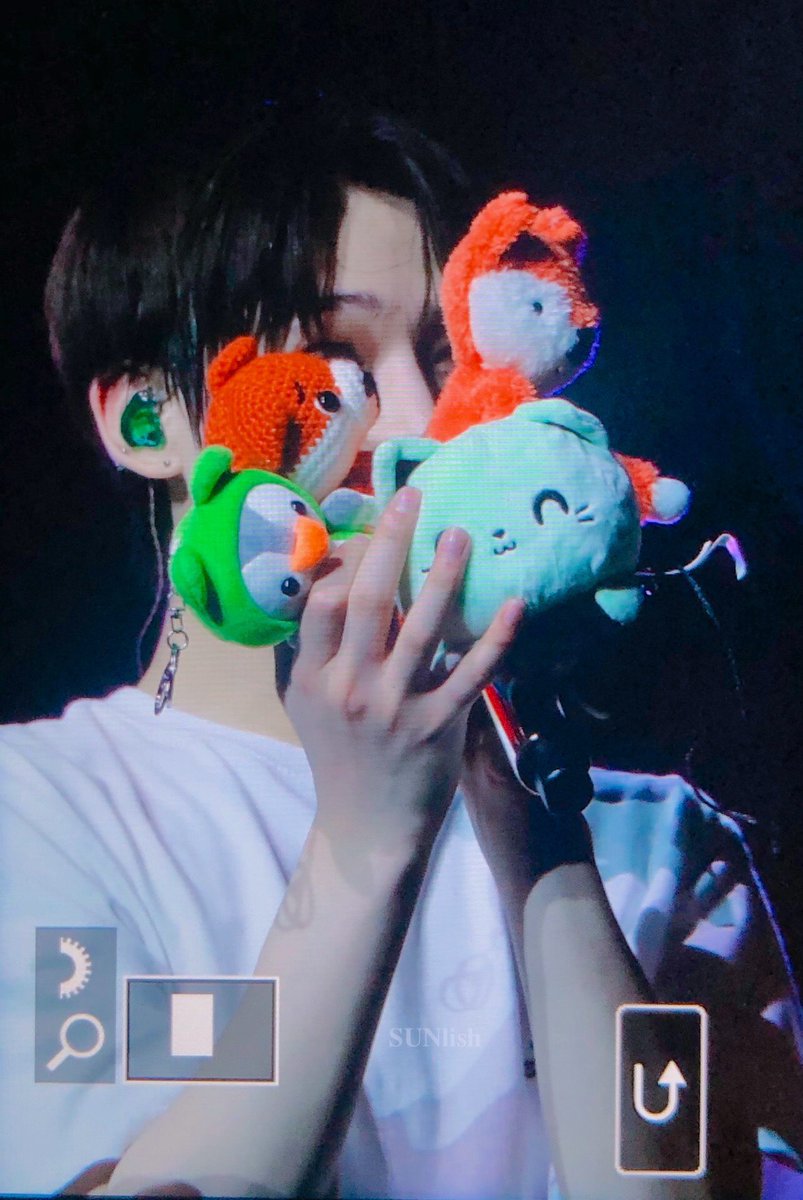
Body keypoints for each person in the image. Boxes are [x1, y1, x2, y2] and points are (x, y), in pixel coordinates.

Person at [1, 100, 802, 1200]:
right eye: (335, 360)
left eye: (448, 357)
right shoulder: (44, 817)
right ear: (149, 422)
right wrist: (364, 847)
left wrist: (540, 842)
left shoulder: (659, 846)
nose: (422, 423)